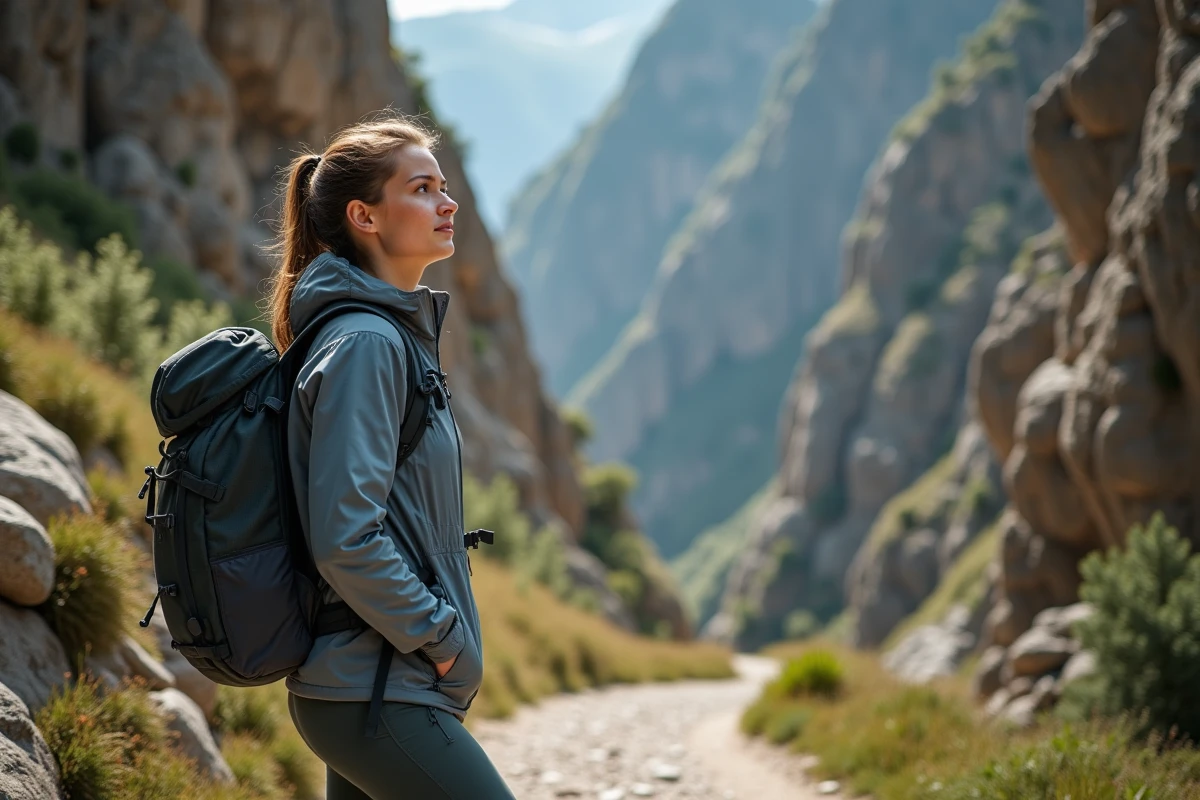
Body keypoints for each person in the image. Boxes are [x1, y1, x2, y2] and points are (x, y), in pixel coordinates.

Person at [268, 114, 515, 799]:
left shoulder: (380, 337)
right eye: (423, 187)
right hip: (374, 689)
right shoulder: (368, 346)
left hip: (372, 684)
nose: (448, 201)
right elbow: (345, 537)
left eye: (444, 185)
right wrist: (442, 638)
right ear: (365, 216)